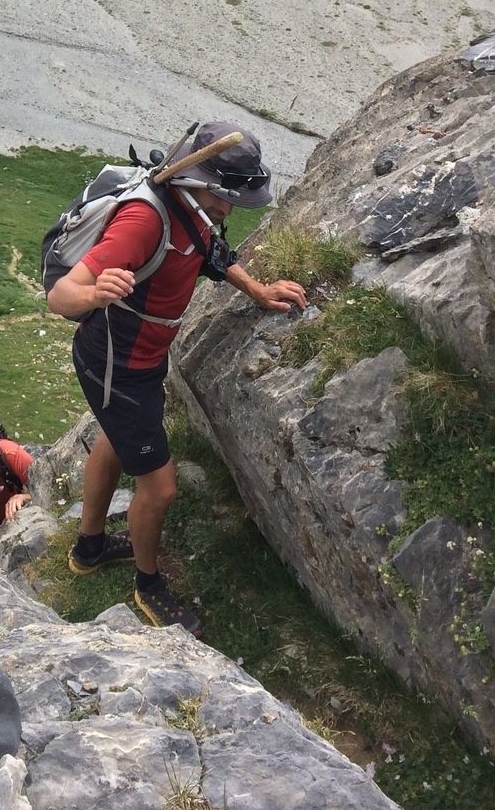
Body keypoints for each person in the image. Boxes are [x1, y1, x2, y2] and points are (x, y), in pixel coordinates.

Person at [47, 121, 307, 636]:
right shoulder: (144, 220)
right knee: (161, 489)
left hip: (137, 359)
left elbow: (207, 252)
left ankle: (89, 549)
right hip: (118, 367)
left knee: (114, 441)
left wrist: (256, 289)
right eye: (223, 198)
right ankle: (149, 585)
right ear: (197, 182)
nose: (228, 209)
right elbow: (60, 296)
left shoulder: (189, 205)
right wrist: (97, 292)